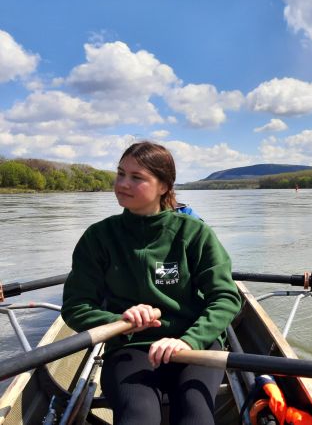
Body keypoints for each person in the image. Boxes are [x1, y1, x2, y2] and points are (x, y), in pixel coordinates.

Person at [61, 141, 241, 425]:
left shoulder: (194, 233)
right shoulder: (98, 237)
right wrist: (118, 318)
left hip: (194, 344)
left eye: (137, 177)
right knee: (138, 416)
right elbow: (75, 307)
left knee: (196, 413)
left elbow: (226, 297)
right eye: (120, 173)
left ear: (164, 186)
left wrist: (188, 340)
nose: (123, 183)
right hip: (129, 345)